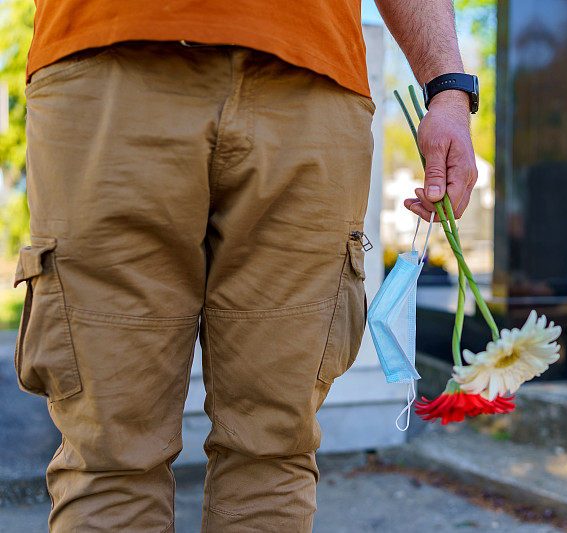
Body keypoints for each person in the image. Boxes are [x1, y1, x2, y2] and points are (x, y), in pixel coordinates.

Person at [16, 0, 479, 531]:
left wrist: (448, 88)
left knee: (272, 450)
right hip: (109, 55)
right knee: (108, 454)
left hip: (313, 80)